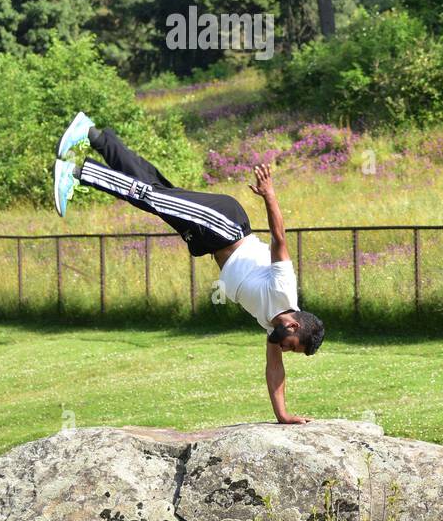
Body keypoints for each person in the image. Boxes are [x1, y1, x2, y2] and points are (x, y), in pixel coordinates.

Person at [53, 112, 324, 425]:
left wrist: (283, 415)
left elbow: (274, 371)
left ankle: (93, 134)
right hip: (224, 226)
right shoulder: (284, 290)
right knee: (150, 197)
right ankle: (74, 171)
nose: (284, 350)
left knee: (152, 186)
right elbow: (279, 239)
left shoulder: (272, 325)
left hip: (212, 238)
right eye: (291, 347)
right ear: (293, 326)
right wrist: (270, 195)